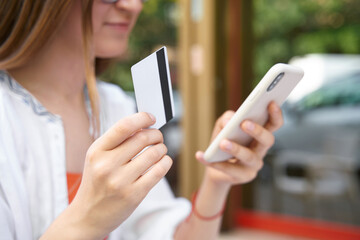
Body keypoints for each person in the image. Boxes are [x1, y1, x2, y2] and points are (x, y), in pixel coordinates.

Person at [0, 0, 283, 239]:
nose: (133, 5)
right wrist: (86, 220)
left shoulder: (117, 106)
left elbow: (164, 232)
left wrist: (216, 181)